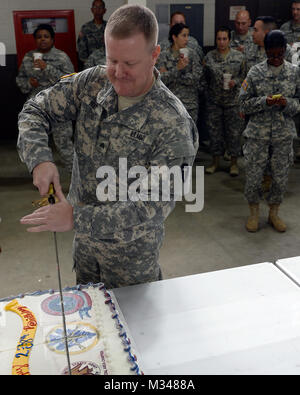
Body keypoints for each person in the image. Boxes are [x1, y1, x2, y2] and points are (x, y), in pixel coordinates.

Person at [17, 5, 198, 289]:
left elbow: (151, 206)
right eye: (112, 60)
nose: (117, 73)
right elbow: (34, 110)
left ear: (154, 55)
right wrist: (40, 159)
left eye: (129, 63)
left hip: (132, 267)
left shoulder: (173, 123)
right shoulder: (93, 83)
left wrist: (76, 217)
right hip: (86, 256)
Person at [239, 30, 300, 233]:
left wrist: (287, 103)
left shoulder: (294, 73)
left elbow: (299, 104)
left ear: (284, 51)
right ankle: (254, 213)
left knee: (280, 176)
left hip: (283, 134)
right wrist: (263, 101)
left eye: (279, 54)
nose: (275, 59)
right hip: (258, 134)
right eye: (271, 55)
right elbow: (242, 104)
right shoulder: (255, 72)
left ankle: (274, 213)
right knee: (254, 176)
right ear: (265, 51)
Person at [16, 24, 74, 173]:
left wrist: (46, 67)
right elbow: (20, 79)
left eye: (46, 36)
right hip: (37, 108)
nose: (43, 39)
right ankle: (43, 178)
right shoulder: (29, 57)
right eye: (39, 37)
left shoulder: (61, 57)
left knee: (64, 145)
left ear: (52, 39)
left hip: (59, 106)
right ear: (35, 40)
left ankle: (77, 178)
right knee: (36, 145)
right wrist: (29, 83)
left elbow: (70, 80)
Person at [204, 27, 246, 177]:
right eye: (219, 39)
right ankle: (215, 162)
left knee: (233, 134)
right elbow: (204, 78)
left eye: (224, 39)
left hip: (233, 102)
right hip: (214, 101)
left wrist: (236, 82)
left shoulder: (239, 57)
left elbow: (245, 77)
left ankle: (233, 164)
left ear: (229, 40)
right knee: (215, 134)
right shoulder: (209, 57)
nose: (221, 42)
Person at [157, 23, 205, 124]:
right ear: (174, 37)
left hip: (189, 105)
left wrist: (172, 74)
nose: (187, 39)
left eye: (187, 35)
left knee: (190, 137)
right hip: (169, 104)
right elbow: (160, 81)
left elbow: (196, 78)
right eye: (184, 36)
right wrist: (177, 69)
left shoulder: (192, 55)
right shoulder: (163, 56)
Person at [77, 0, 107, 65]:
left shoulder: (109, 27)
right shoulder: (85, 27)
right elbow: (81, 48)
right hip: (90, 64)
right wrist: (87, 63)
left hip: (106, 63)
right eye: (95, 7)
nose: (98, 10)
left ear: (104, 10)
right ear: (92, 10)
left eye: (100, 7)